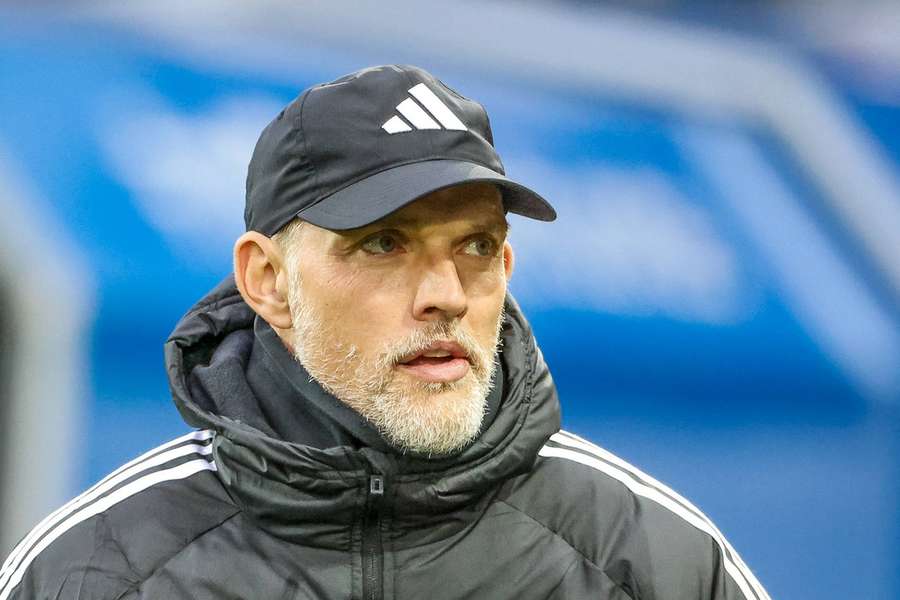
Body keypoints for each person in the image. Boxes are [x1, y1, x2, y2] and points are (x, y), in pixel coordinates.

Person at [0, 64, 770, 600]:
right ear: (268, 280)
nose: (445, 296)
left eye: (475, 247)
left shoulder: (653, 557)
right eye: (383, 244)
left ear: (507, 264)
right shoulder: (94, 569)